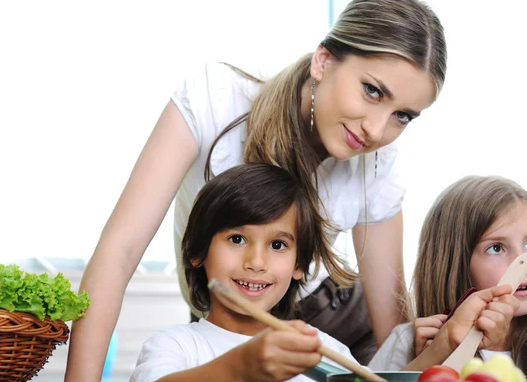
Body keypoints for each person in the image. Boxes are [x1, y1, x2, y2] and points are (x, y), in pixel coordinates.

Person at [65, 0, 448, 379]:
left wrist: (436, 350)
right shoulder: (217, 97)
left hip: (336, 317)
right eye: (371, 90)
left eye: (402, 116)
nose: (375, 130)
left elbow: (393, 339)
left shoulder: (379, 167)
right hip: (233, 302)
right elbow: (120, 251)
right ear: (324, 61)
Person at [130, 163, 361, 382]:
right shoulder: (175, 345)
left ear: (299, 264)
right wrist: (239, 368)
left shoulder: (325, 351)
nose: (256, 262)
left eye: (277, 245)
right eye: (237, 239)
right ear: (196, 251)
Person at [368, 176, 527, 378]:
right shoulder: (406, 341)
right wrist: (427, 360)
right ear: (454, 263)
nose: (524, 265)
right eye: (496, 248)